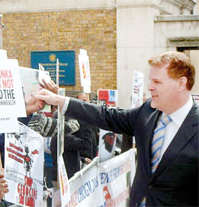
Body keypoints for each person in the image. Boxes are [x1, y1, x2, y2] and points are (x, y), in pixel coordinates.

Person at [35, 51, 198, 206]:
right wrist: (62, 101)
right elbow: (107, 116)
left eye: (157, 82)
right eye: (150, 81)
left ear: (181, 83)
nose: (150, 87)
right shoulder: (148, 111)